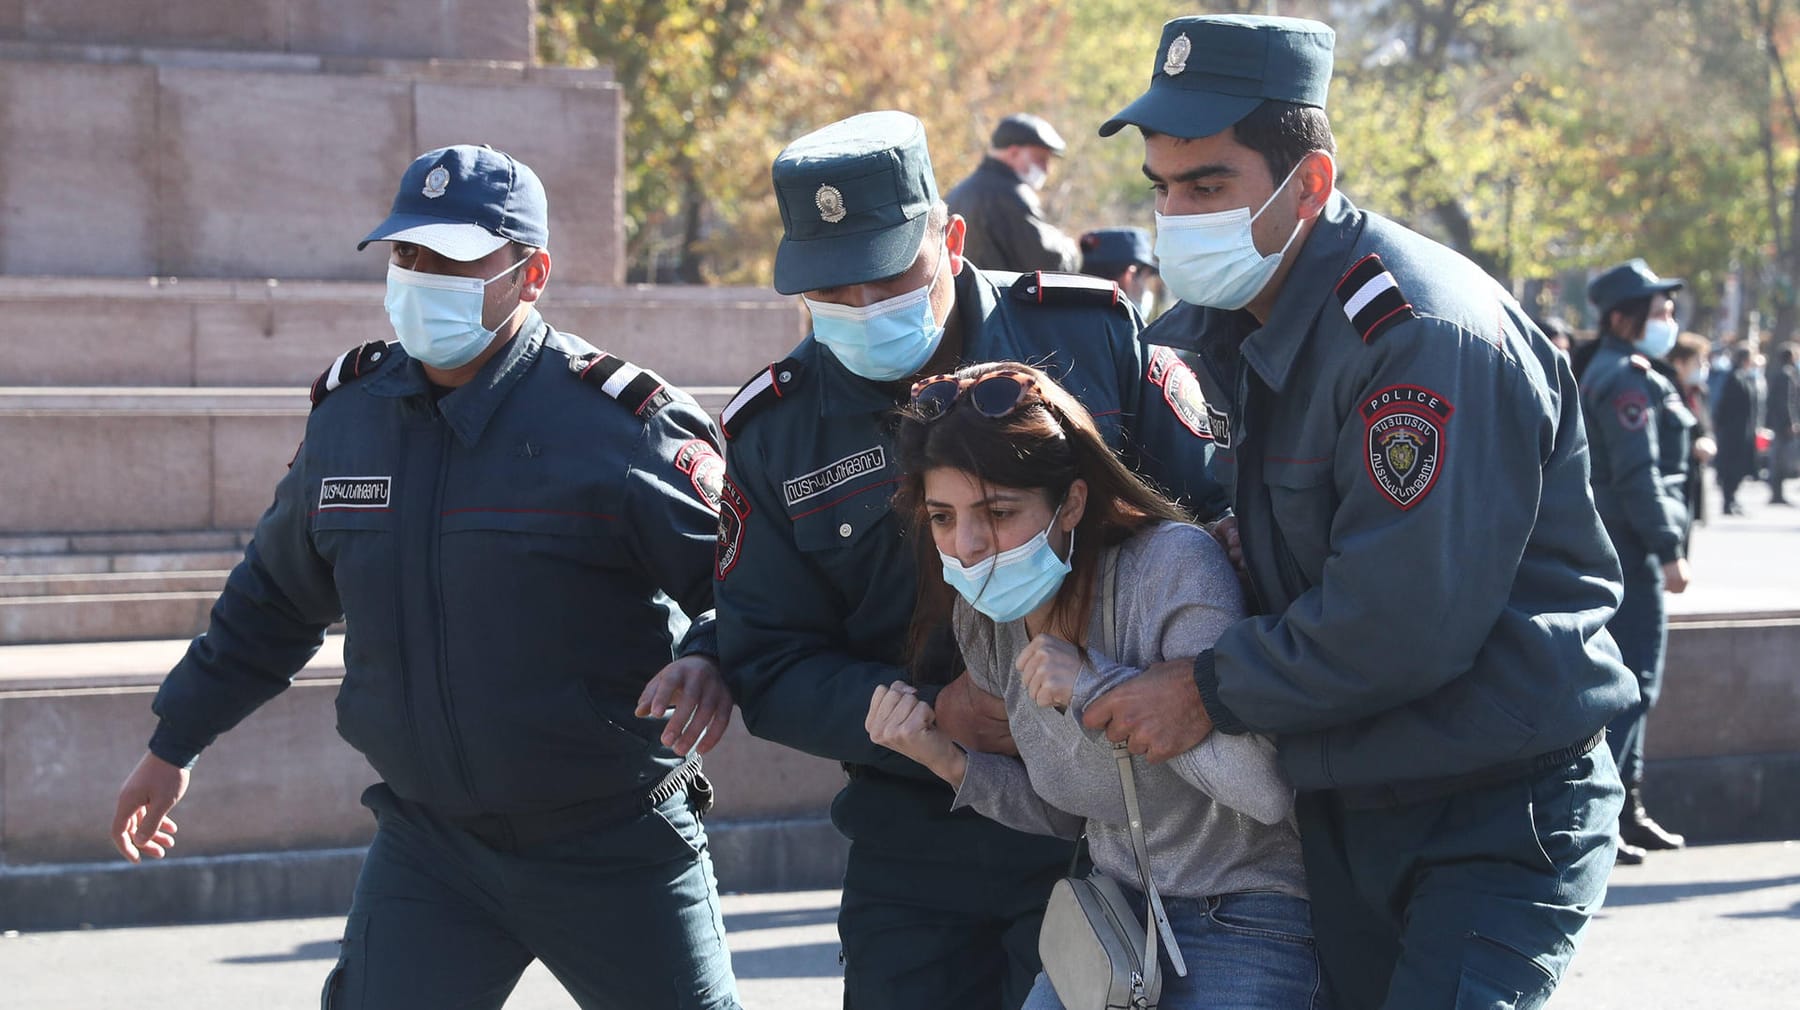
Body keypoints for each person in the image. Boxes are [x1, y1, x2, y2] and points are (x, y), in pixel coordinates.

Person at [1079, 15, 1636, 1009]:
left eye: (1208, 184)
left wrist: (1203, 687)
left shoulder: (1416, 336)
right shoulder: (1215, 323)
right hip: (1347, 803)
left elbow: (1399, 619)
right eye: (1163, 187)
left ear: (1313, 183)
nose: (1176, 213)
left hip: (1492, 806)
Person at [108, 145, 741, 1010]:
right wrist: (172, 742)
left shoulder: (620, 427)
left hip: (613, 840)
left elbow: (749, 583)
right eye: (407, 255)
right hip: (432, 850)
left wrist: (710, 653)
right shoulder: (351, 419)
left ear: (532, 274)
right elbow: (271, 603)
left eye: (451, 259)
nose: (421, 276)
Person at [715, 110, 1230, 1010]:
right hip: (921, 829)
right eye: (831, 292)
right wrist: (929, 711)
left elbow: (1210, 525)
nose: (864, 309)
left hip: (1113, 820)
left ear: (950, 238)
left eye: (889, 277)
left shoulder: (1091, 337)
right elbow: (767, 659)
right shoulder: (775, 431)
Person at [865, 361, 1322, 1010]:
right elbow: (1068, 812)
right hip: (1113, 926)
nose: (966, 545)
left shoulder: (1172, 567)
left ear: (1072, 502)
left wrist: (1098, 686)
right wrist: (943, 759)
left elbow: (1264, 792)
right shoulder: (986, 616)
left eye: (997, 511)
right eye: (943, 516)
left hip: (1245, 917)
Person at [1581, 259, 1695, 865]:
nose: (1669, 322)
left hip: (1622, 545)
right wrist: (1668, 550)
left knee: (1636, 685)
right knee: (1636, 686)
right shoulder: (1623, 377)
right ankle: (1605, 815)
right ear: (1624, 320)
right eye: (1659, 313)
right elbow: (1637, 474)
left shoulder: (1621, 369)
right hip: (1631, 548)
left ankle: (1629, 810)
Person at [946, 112, 1083, 272]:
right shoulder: (1012, 196)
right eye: (1040, 159)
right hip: (997, 295)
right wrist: (1070, 249)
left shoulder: (958, 191)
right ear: (1013, 153)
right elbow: (1048, 263)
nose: (1047, 169)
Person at [1666, 332, 1718, 542]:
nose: (1703, 366)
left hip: (1693, 476)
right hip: (1672, 479)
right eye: (1698, 361)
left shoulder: (1698, 392)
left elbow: (1705, 427)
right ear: (1679, 363)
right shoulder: (1667, 390)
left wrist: (1708, 441)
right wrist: (1692, 446)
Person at [1714, 344, 1765, 515]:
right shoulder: (1734, 377)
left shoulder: (1745, 377)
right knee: (1731, 466)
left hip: (1744, 430)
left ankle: (1733, 498)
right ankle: (1728, 500)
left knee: (1741, 466)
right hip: (1733, 432)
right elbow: (1725, 406)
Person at [1080, 226, 1162, 319]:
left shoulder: (1067, 319)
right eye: (1145, 279)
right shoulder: (1127, 331)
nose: (1146, 288)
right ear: (1129, 276)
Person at [1766, 342, 1800, 503]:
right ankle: (1776, 493)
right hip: (1783, 424)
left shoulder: (1779, 373)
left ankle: (1777, 493)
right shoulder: (1787, 375)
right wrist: (1791, 422)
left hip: (1778, 423)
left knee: (1779, 457)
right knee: (1780, 459)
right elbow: (1787, 401)